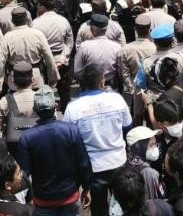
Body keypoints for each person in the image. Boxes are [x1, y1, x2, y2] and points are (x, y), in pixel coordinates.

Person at [64, 64, 132, 216]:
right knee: (123, 206)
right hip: (118, 162)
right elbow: (128, 128)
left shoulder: (72, 108)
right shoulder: (117, 100)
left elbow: (69, 141)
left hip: (93, 169)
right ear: (102, 82)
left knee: (99, 209)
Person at [16, 85, 93, 215]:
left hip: (42, 201)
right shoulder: (71, 130)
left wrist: (27, 199)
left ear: (35, 109)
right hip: (69, 197)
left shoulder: (26, 137)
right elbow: (83, 164)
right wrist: (86, 188)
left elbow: (23, 174)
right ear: (55, 106)